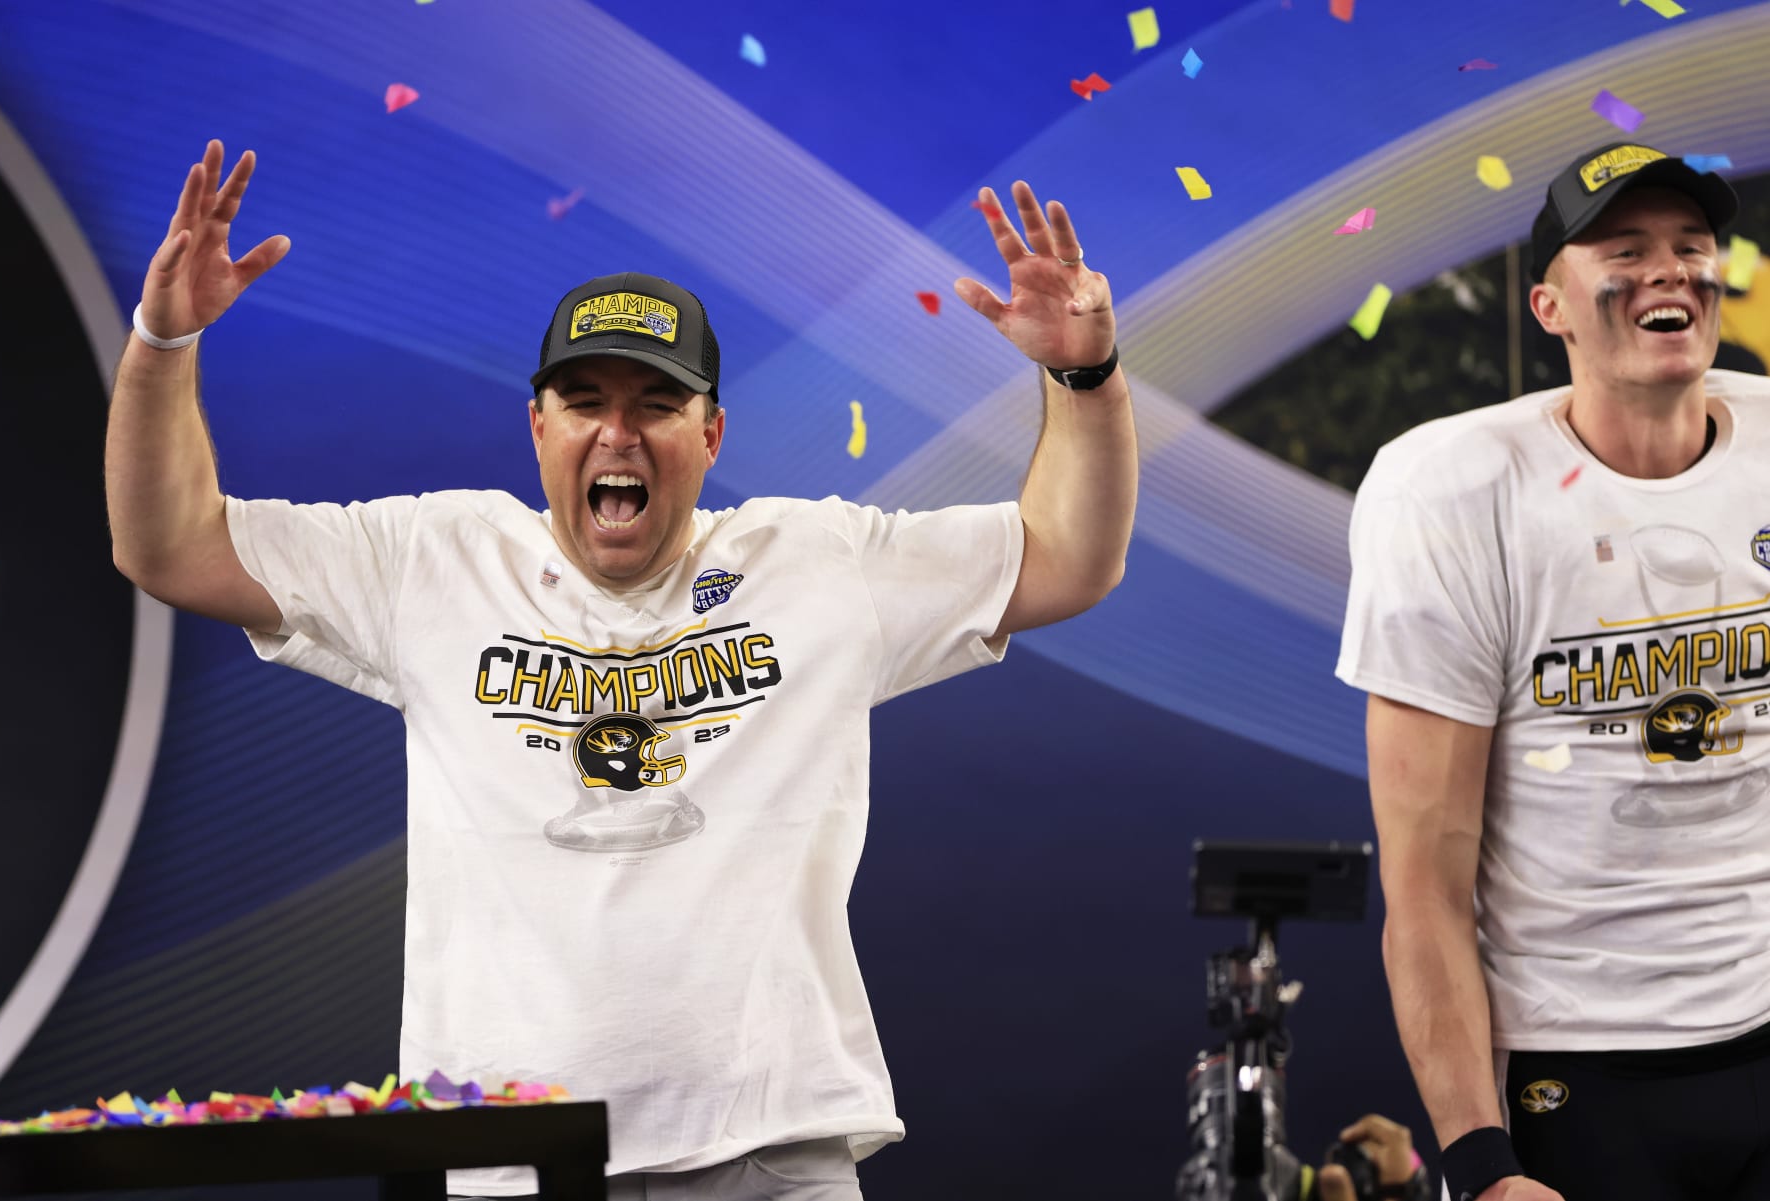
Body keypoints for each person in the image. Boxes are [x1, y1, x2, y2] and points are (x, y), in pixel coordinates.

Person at [104, 139, 1137, 1200]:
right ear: (538, 425)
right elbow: (168, 544)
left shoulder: (813, 563)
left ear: (713, 433)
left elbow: (1067, 557)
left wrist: (1084, 378)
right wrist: (160, 342)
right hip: (508, 1166)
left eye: (655, 403)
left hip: (771, 1158)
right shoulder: (435, 559)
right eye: (585, 399)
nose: (617, 431)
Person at [1338, 140, 1770, 1201]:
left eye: (1692, 245)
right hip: (1575, 1072)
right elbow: (1424, 880)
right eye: (1626, 249)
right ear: (1549, 308)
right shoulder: (1451, 490)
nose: (1670, 268)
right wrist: (1482, 1164)